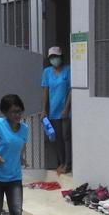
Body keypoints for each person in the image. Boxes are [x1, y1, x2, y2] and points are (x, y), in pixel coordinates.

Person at [41, 46, 72, 175]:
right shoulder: (47, 72)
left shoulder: (68, 69)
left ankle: (68, 164)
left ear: (61, 57)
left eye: (56, 56)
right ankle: (61, 162)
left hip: (66, 111)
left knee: (66, 137)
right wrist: (44, 109)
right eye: (52, 57)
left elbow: (71, 90)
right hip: (53, 111)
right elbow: (45, 92)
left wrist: (66, 108)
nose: (54, 59)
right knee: (56, 138)